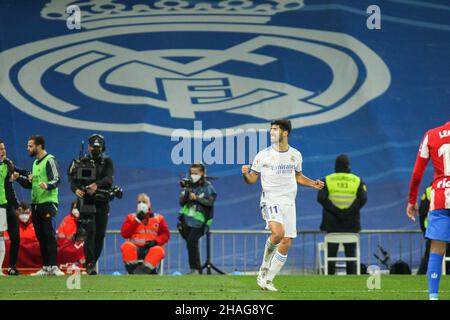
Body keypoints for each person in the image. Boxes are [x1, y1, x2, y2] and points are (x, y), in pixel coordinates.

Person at [242, 119, 324, 291]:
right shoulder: (262, 155)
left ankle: (269, 279)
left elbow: (299, 176)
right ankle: (264, 267)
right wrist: (245, 174)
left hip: (289, 201)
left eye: (275, 129)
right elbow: (252, 179)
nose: (271, 132)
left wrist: (312, 183)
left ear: (285, 133)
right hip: (270, 199)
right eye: (271, 129)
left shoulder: (296, 155)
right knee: (278, 233)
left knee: (286, 241)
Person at [406, 121, 450, 300]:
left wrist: (411, 200)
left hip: (440, 196)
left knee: (436, 249)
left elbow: (417, 172)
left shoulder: (431, 135)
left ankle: (433, 296)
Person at [13, 135, 64, 276]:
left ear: (39, 146)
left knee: (49, 234)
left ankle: (54, 266)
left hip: (48, 203)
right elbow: (31, 184)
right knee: (41, 236)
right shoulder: (35, 164)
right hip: (35, 204)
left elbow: (57, 180)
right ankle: (46, 267)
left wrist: (47, 185)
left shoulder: (50, 160)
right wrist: (18, 179)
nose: (28, 148)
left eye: (30, 146)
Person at [68, 133, 114, 275]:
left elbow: (109, 179)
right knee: (90, 232)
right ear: (88, 147)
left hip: (102, 202)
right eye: (93, 147)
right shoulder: (81, 161)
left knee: (100, 234)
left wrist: (96, 185)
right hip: (87, 202)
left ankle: (93, 262)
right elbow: (73, 179)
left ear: (102, 148)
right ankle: (89, 263)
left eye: (98, 147)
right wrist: (76, 190)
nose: (95, 150)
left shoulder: (107, 162)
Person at [317, 154, 367, 275]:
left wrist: (337, 212)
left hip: (332, 225)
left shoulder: (327, 180)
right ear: (348, 166)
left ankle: (330, 278)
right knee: (351, 256)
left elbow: (321, 198)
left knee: (331, 256)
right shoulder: (357, 181)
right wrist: (346, 212)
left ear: (335, 166)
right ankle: (351, 278)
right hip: (351, 225)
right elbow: (363, 199)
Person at [177, 163, 217, 274]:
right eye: (191, 173)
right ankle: (196, 269)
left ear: (202, 173)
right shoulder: (188, 185)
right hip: (187, 221)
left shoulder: (208, 187)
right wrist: (186, 193)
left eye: (196, 173)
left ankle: (195, 269)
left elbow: (210, 202)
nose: (193, 175)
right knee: (190, 244)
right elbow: (181, 202)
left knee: (191, 241)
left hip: (201, 222)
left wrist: (196, 198)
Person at [120, 193, 170, 274]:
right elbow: (124, 233)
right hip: (135, 249)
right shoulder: (131, 217)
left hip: (151, 248)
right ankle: (137, 272)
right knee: (126, 246)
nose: (141, 204)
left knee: (159, 250)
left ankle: (138, 274)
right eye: (139, 202)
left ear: (149, 204)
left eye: (144, 202)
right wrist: (137, 220)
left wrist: (155, 242)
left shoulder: (159, 218)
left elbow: (166, 235)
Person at [0, 140, 26, 276]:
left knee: (15, 237)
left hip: (8, 205)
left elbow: (20, 172)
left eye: (3, 148)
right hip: (1, 206)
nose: (3, 151)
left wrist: (28, 174)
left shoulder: (7, 164)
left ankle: (12, 267)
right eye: (0, 149)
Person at [417, 184, 450, 274]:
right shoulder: (430, 189)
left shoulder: (430, 189)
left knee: (431, 255)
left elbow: (422, 212)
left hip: (435, 230)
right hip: (438, 229)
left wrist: (425, 231)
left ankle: (422, 276)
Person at [3, 202, 43, 272]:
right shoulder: (10, 226)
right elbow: (7, 243)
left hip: (32, 260)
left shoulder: (36, 226)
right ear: (16, 212)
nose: (24, 215)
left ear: (30, 213)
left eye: (27, 213)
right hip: (15, 259)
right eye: (21, 212)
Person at [56, 201, 86, 268]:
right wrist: (70, 239)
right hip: (67, 249)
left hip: (81, 250)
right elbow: (60, 236)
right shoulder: (66, 220)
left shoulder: (86, 220)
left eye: (78, 208)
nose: (76, 210)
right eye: (75, 207)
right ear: (71, 209)